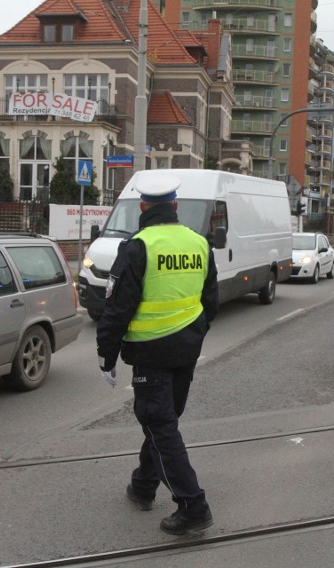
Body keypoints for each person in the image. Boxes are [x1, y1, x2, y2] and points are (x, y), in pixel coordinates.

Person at [96, 171, 219, 535]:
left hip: (150, 354)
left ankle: (193, 506)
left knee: (160, 425)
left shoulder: (138, 246)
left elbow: (116, 309)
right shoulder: (199, 243)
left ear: (143, 207)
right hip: (186, 351)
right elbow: (210, 302)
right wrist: (194, 334)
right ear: (176, 206)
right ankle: (143, 486)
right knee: (163, 423)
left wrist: (107, 356)